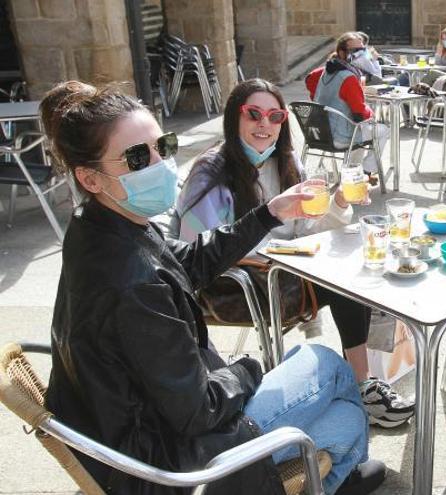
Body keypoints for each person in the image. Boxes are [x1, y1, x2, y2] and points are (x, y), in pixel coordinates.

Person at [40, 82, 389, 494]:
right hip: (167, 462)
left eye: (162, 146)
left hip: (138, 425)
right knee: (326, 368)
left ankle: (336, 472)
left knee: (343, 414)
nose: (159, 163)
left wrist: (268, 214)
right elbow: (199, 412)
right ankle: (338, 474)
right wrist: (247, 369)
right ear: (90, 178)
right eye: (137, 157)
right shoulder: (133, 285)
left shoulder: (99, 227)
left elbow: (184, 261)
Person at [176, 78, 416, 429]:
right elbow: (200, 251)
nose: (265, 125)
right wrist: (283, 253)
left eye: (275, 116)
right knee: (344, 280)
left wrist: (338, 202)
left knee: (358, 268)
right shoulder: (211, 172)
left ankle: (364, 383)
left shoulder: (286, 164)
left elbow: (308, 230)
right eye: (253, 114)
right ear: (234, 118)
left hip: (284, 275)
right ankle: (364, 388)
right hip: (232, 288)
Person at [305, 32, 388, 176]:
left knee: (361, 129)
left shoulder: (326, 70)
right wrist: (371, 112)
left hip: (319, 132)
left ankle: (353, 170)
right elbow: (361, 113)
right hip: (339, 136)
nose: (360, 54)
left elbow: (309, 79)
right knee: (381, 129)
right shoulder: (349, 77)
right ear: (342, 53)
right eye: (355, 50)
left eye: (362, 50)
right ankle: (366, 170)